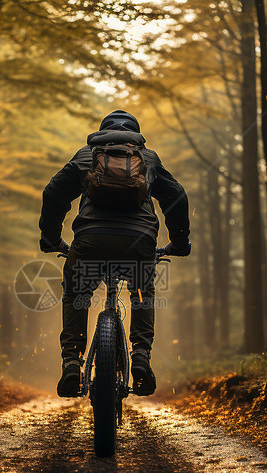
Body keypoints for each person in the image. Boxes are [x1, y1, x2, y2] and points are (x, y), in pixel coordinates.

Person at [39, 110, 191, 398]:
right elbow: (176, 196)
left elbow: (53, 194)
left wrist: (51, 238)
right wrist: (179, 242)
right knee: (142, 291)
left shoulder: (85, 156)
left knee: (77, 292)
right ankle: (142, 356)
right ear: (136, 133)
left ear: (102, 132)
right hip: (139, 242)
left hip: (90, 242)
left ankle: (72, 361)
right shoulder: (149, 158)